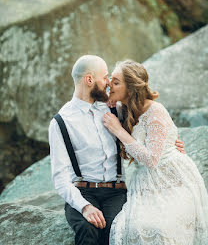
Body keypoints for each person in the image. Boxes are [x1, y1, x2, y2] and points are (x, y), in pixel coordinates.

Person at [48, 55, 185, 245]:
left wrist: (170, 145)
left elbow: (148, 127)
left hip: (116, 192)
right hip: (83, 192)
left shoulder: (116, 108)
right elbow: (60, 178)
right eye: (105, 78)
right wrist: (85, 207)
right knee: (88, 229)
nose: (108, 83)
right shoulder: (61, 122)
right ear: (89, 80)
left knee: (118, 231)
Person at [102, 59, 208, 245]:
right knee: (129, 227)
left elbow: (151, 159)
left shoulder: (155, 111)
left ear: (132, 87)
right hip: (145, 182)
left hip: (173, 180)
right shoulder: (122, 109)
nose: (110, 84)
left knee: (160, 228)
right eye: (111, 79)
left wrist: (118, 130)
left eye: (116, 82)